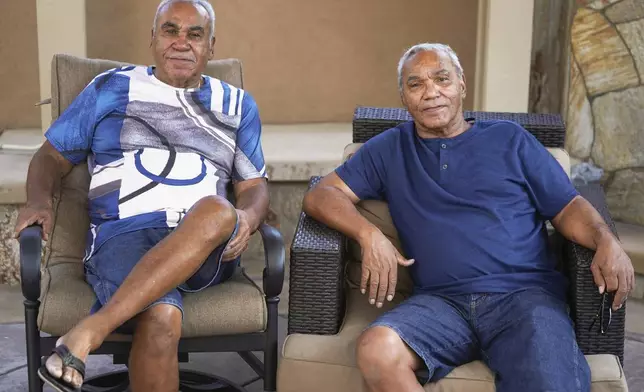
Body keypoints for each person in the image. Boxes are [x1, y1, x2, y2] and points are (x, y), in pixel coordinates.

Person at [302, 43, 634, 392]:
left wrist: (604, 238)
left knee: (552, 380)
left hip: (524, 299)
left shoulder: (510, 140)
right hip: (440, 303)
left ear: (461, 85)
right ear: (403, 97)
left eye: (441, 79)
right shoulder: (389, 148)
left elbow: (567, 207)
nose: (431, 92)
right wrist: (367, 233)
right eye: (415, 84)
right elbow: (321, 194)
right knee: (377, 349)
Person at [13, 1, 269, 391]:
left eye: (194, 34)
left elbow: (253, 187)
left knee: (219, 210)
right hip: (123, 235)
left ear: (211, 47)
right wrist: (38, 201)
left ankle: (89, 332)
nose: (181, 43)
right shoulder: (111, 87)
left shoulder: (237, 105)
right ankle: (92, 334)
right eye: (170, 30)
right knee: (161, 319)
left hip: (208, 245)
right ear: (153, 39)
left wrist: (249, 217)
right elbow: (50, 156)